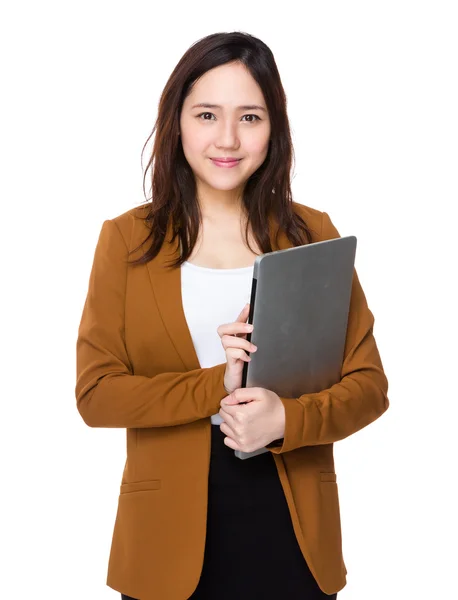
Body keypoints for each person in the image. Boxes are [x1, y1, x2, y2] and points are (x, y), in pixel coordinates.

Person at [75, 31, 389, 600]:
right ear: (177, 124)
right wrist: (214, 386)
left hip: (294, 535)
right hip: (164, 544)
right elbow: (97, 395)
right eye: (206, 115)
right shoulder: (126, 240)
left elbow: (369, 387)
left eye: (249, 117)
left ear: (275, 128)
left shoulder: (312, 234)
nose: (227, 138)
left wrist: (287, 421)